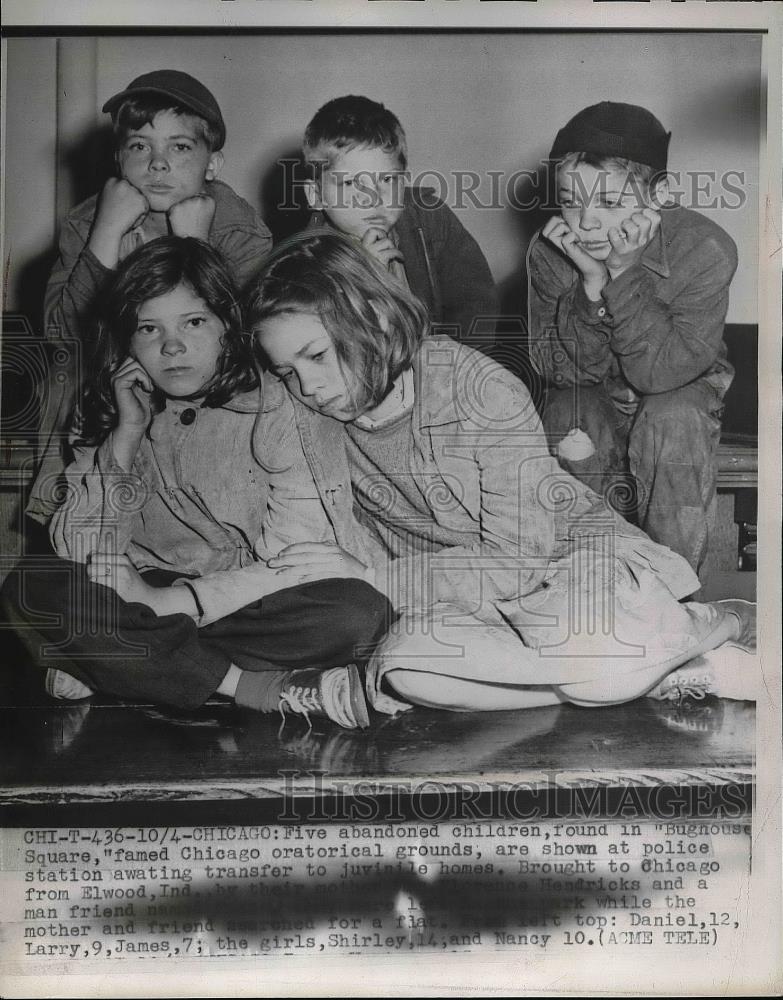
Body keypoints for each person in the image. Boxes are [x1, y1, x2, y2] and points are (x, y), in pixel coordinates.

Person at [244, 231, 756, 715]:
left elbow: (521, 560)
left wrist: (374, 578)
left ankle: (713, 623)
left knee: (591, 654)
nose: (306, 386)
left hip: (571, 565)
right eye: (287, 370)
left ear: (375, 317)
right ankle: (647, 675)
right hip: (458, 598)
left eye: (317, 355)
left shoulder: (480, 389)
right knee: (405, 671)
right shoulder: (306, 415)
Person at [2, 237, 390, 729]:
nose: (172, 346)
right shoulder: (108, 409)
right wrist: (125, 437)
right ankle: (250, 687)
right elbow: (78, 548)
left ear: (229, 325)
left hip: (242, 599)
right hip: (135, 595)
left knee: (358, 613)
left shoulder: (279, 404)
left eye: (194, 322)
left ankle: (120, 666)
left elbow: (300, 559)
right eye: (148, 328)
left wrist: (171, 603)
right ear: (126, 340)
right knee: (31, 586)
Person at [28, 69, 273, 524]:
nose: (158, 164)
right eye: (140, 146)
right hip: (115, 384)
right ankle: (71, 516)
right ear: (119, 159)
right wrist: (105, 233)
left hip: (204, 390)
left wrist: (195, 249)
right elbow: (63, 337)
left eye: (180, 147)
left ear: (212, 165)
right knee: (73, 376)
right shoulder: (88, 223)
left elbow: (241, 350)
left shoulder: (241, 232)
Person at [527, 102, 738, 579]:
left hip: (678, 393)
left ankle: (672, 587)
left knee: (671, 418)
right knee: (568, 410)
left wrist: (621, 276)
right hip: (598, 394)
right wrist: (589, 288)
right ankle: (586, 575)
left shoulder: (707, 250)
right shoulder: (551, 251)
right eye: (569, 199)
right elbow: (566, 371)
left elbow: (657, 374)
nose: (584, 223)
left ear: (658, 195)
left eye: (610, 202)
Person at [301, 94, 498, 351]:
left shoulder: (430, 218)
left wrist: (459, 368)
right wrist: (361, 279)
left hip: (444, 366)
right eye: (350, 183)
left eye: (387, 180)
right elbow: (324, 347)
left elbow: (475, 300)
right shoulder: (306, 258)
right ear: (316, 195)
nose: (372, 198)